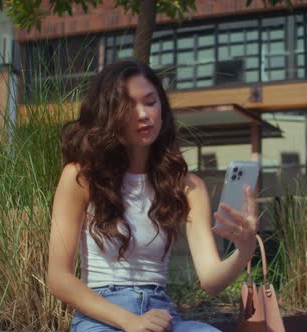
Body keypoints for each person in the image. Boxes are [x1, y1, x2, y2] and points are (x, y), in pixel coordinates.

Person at [46, 59, 258, 332]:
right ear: (108, 113)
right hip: (101, 317)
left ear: (162, 108)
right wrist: (130, 321)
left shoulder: (187, 186)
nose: (143, 114)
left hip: (161, 315)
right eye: (129, 105)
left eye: (150, 102)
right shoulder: (81, 177)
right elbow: (59, 277)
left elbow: (211, 280)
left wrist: (244, 250)